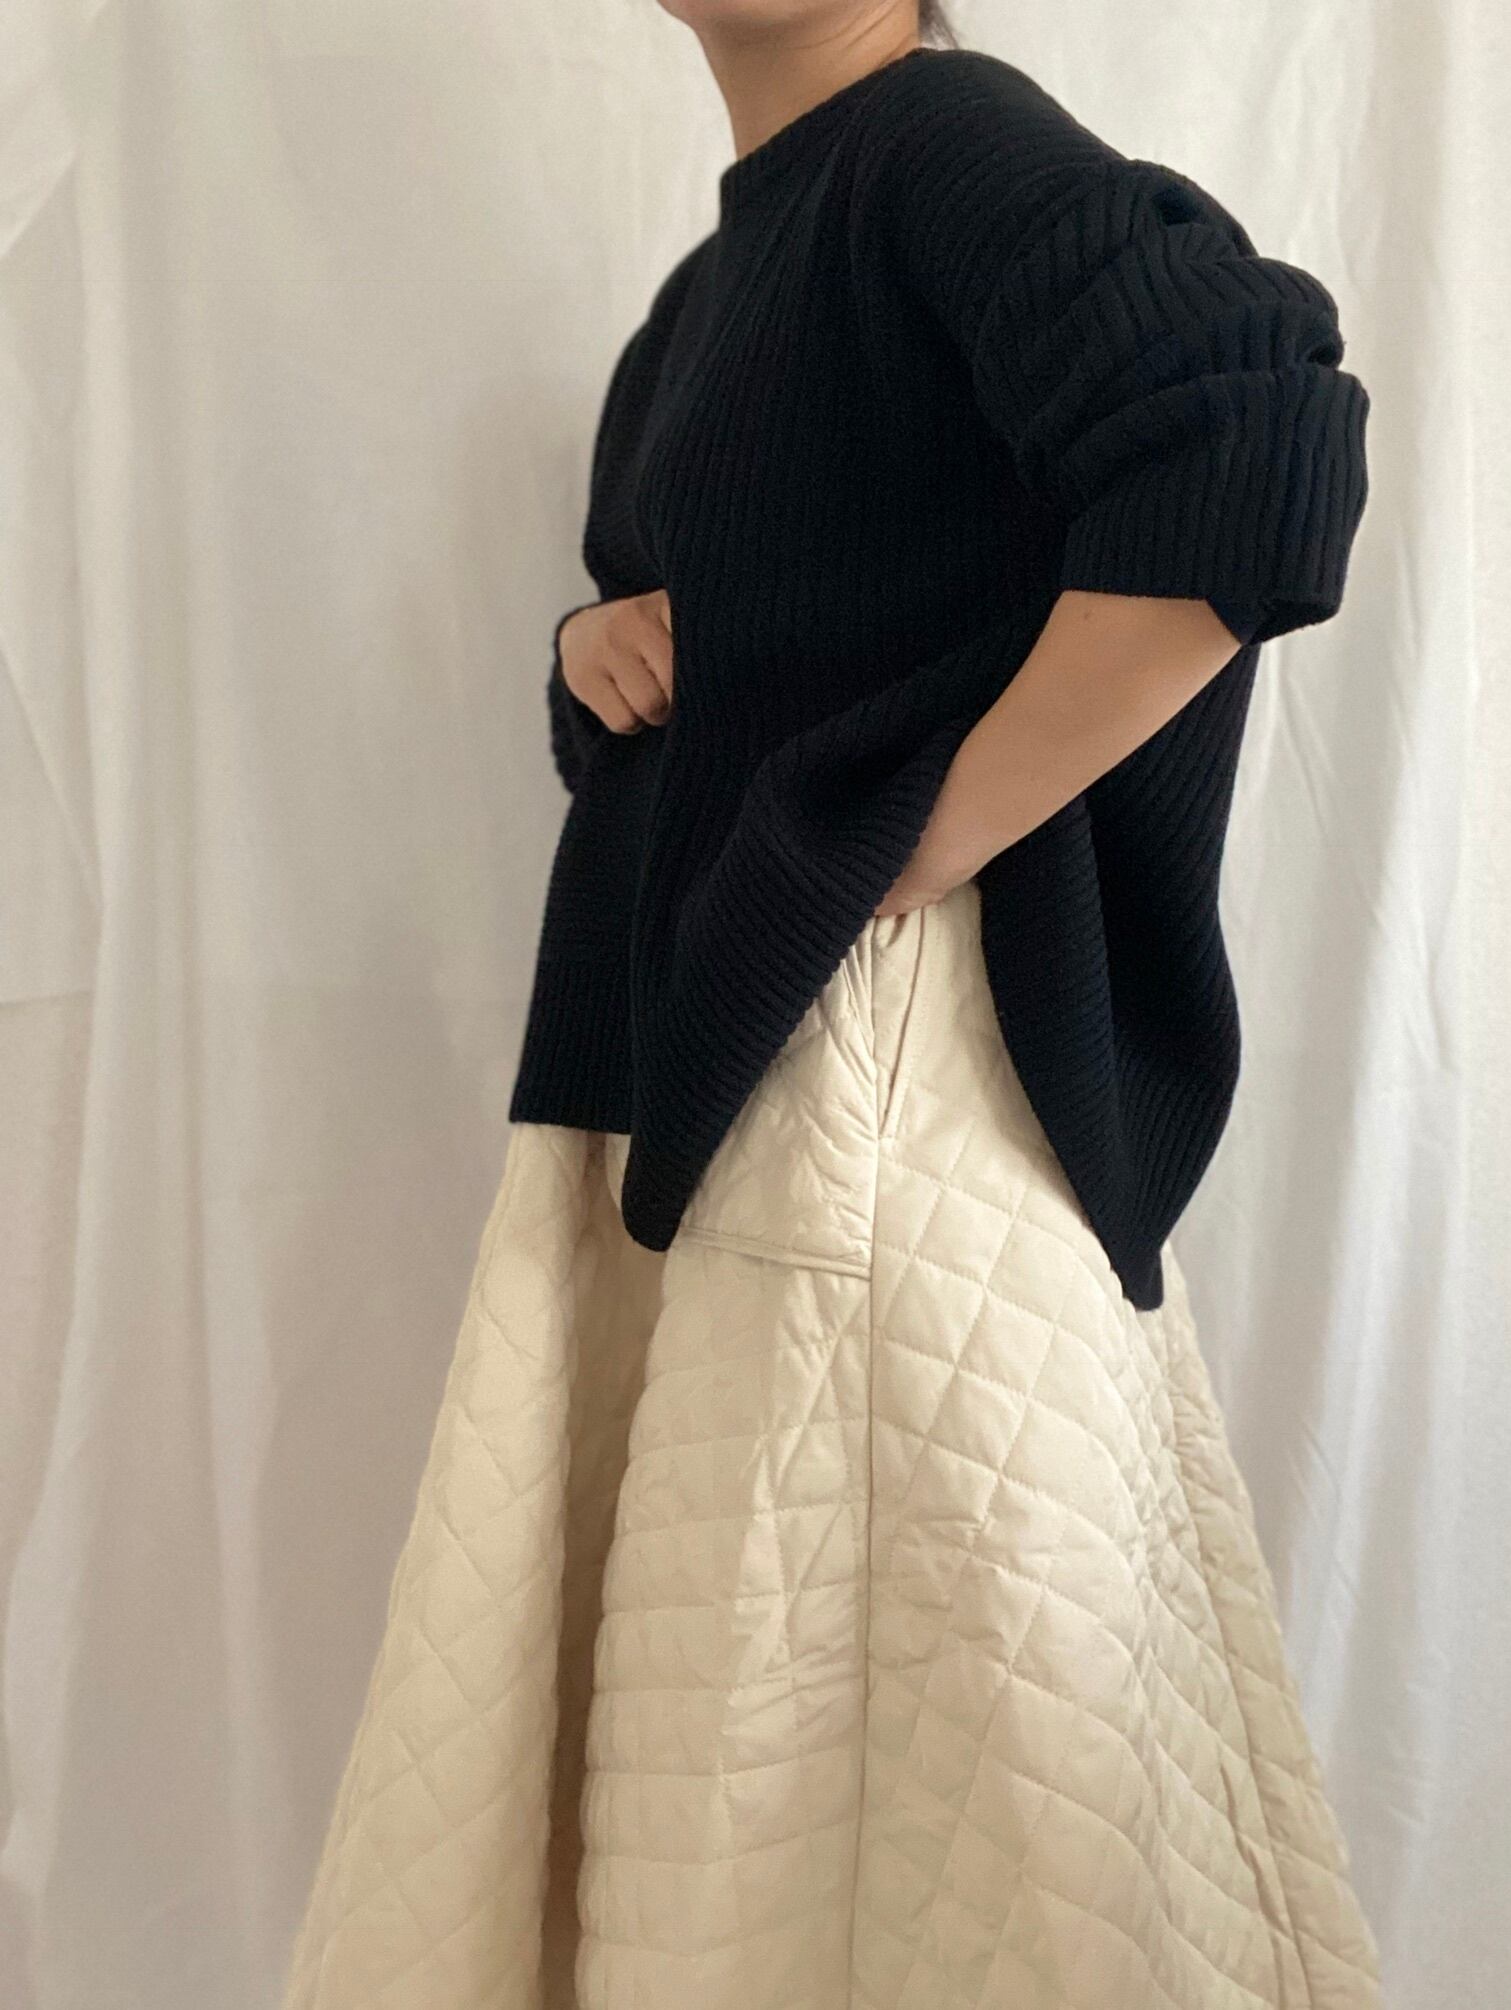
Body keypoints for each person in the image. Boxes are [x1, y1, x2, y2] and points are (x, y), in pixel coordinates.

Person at [283, 7, 1381, 2007]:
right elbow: (745, 684)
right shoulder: (710, 293)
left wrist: (914, 838)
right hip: (722, 1105)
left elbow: (1253, 447)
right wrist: (602, 647)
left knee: (858, 1823)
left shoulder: (934, 148)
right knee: (775, 1816)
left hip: (865, 1129)